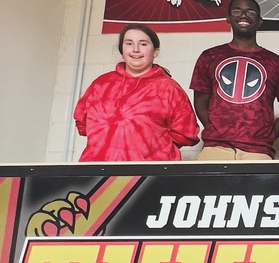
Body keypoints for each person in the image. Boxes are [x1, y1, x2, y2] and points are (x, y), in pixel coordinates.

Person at [189, 0, 279, 160]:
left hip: (258, 152)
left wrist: (265, 137)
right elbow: (200, 103)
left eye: (250, 12)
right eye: (237, 11)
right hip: (215, 149)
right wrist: (217, 131)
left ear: (260, 20)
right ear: (228, 18)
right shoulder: (209, 57)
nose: (244, 15)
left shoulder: (278, 63)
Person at [73, 24, 199, 162]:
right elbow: (82, 124)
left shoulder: (169, 88)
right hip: (97, 171)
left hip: (148, 175)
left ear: (155, 51)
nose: (136, 49)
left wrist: (150, 147)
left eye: (143, 44)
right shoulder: (101, 84)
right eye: (129, 43)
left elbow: (186, 134)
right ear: (122, 49)